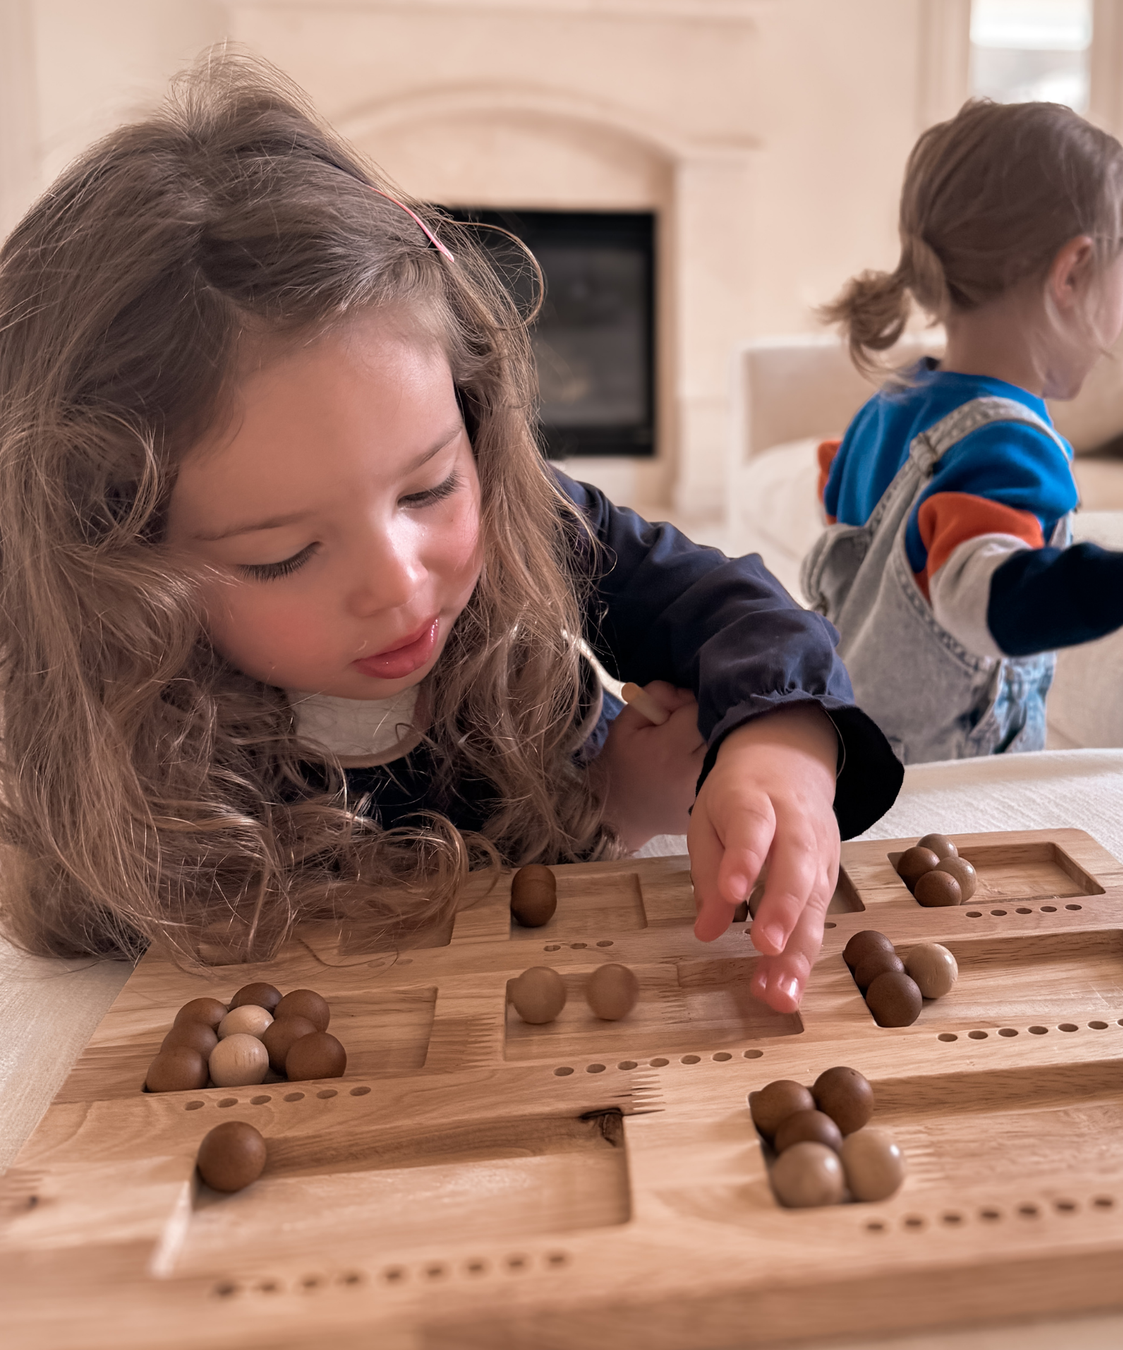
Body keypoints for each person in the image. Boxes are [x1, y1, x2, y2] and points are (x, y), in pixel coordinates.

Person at [0, 56, 902, 1012]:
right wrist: (604, 814)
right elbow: (251, 970)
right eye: (282, 554)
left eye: (428, 487)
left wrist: (782, 742)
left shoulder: (520, 512)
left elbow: (727, 605)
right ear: (118, 569)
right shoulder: (124, 744)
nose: (400, 583)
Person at [805, 99, 1123, 763]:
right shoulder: (1010, 448)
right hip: (944, 791)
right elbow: (994, 601)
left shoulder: (888, 406)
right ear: (1071, 273)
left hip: (844, 746)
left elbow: (852, 529)